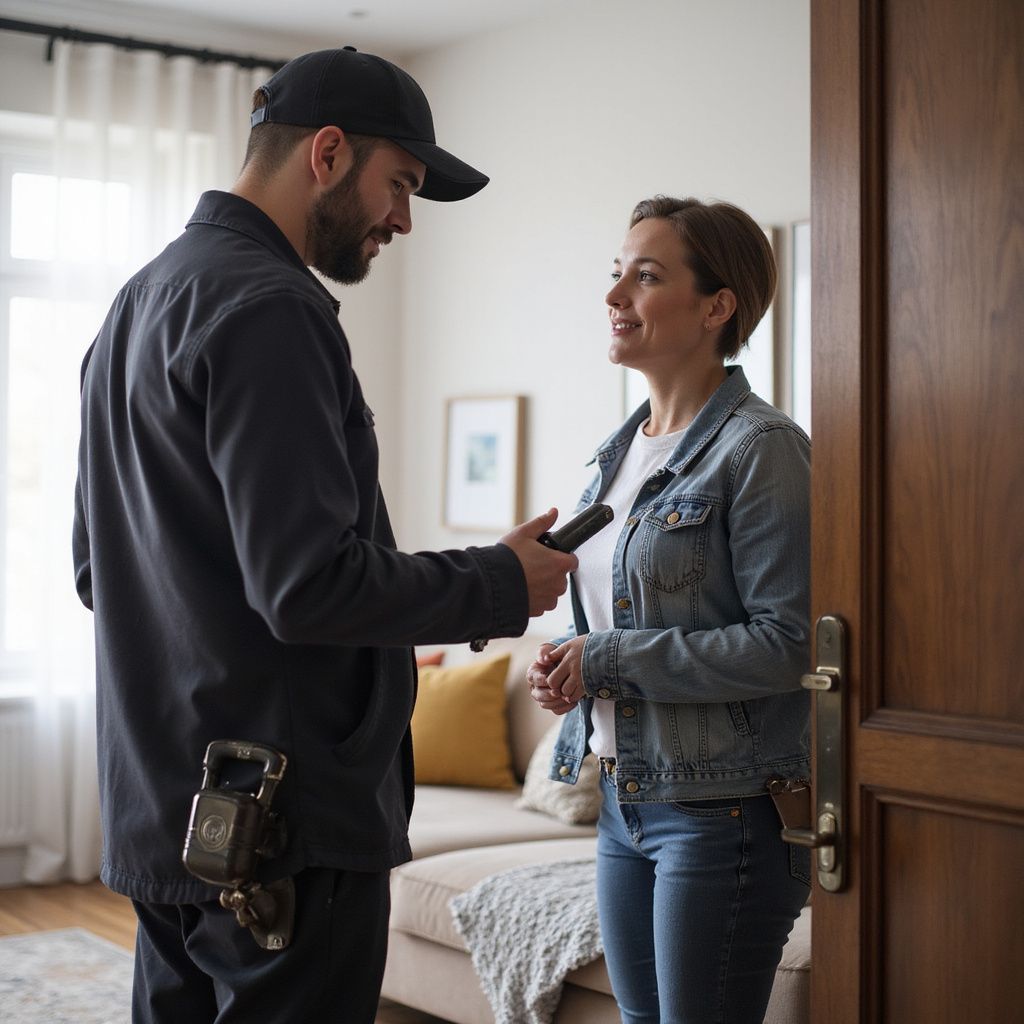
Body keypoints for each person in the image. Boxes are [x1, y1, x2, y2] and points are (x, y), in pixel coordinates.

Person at [72, 47, 576, 1024]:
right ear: (330, 153)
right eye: (402, 184)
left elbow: (100, 569)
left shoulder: (135, 305)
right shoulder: (272, 308)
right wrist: (499, 581)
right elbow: (307, 587)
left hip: (162, 806)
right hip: (280, 827)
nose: (402, 220)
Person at [527, 196, 811, 1024]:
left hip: (723, 812)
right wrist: (569, 667)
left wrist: (607, 662)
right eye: (616, 274)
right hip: (623, 800)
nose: (615, 296)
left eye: (645, 277)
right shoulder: (613, 458)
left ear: (718, 306)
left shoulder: (763, 450)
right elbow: (614, 616)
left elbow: (787, 643)